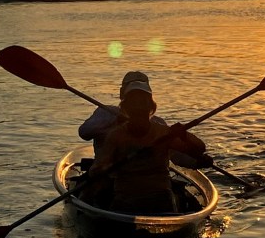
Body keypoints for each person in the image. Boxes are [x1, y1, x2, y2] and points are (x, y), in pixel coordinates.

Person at [82, 75, 209, 214]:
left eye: (142, 103)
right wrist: (103, 170)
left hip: (161, 199)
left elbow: (199, 148)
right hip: (126, 200)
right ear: (126, 107)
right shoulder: (115, 135)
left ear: (151, 107)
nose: (138, 107)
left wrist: (184, 134)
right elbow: (97, 168)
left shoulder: (162, 132)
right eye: (133, 103)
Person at [78, 70, 208, 169]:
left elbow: (178, 157)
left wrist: (197, 161)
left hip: (156, 188)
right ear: (122, 94)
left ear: (150, 103)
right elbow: (84, 133)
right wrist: (115, 121)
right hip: (108, 180)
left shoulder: (159, 125)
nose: (138, 105)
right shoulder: (106, 113)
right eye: (134, 99)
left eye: (142, 99)